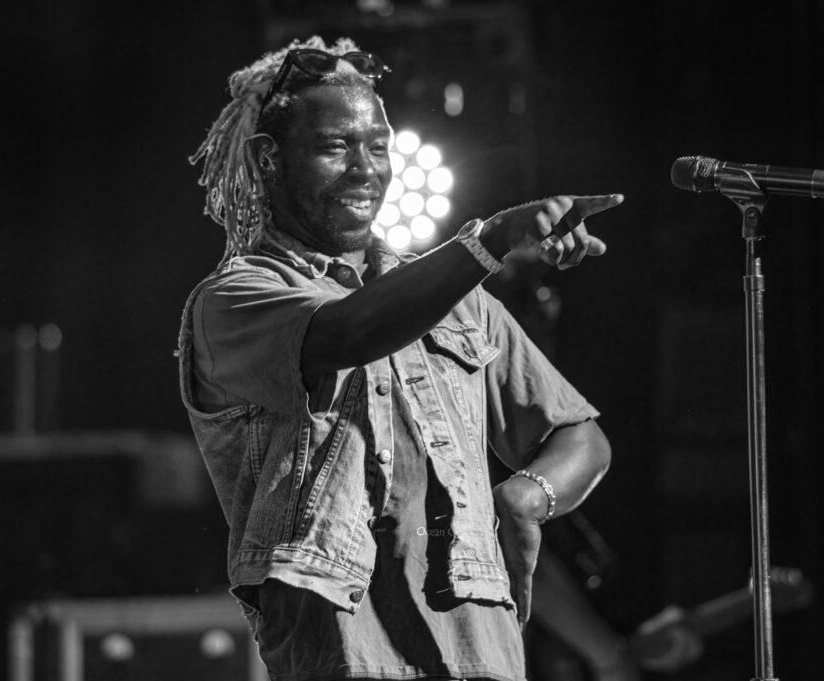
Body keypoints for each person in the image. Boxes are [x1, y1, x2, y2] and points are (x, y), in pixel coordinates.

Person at [179, 35, 623, 681]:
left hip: (484, 651)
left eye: (379, 146)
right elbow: (350, 332)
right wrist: (490, 241)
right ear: (269, 157)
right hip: (348, 651)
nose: (366, 169)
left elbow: (579, 434)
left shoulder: (462, 303)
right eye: (335, 147)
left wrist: (532, 493)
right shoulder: (236, 297)